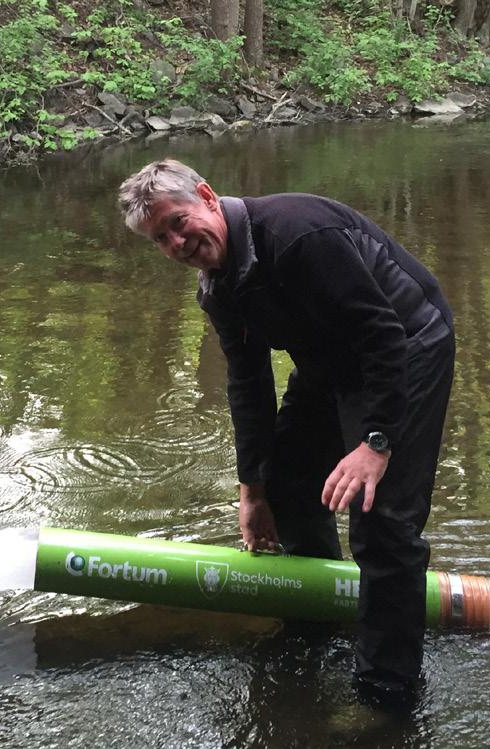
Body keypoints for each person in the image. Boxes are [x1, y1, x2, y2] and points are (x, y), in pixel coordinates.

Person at [118, 159, 455, 699]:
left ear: (206, 196)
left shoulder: (298, 233)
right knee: (287, 486)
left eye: (178, 222)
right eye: (161, 239)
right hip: (328, 362)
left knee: (382, 522)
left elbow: (382, 333)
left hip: (406, 347)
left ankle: (385, 692)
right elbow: (248, 386)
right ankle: (320, 621)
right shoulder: (216, 289)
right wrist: (251, 491)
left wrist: (376, 442)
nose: (178, 242)